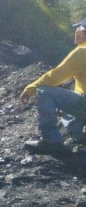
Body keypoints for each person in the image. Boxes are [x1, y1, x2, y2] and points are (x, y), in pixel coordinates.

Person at [21, 17, 86, 153]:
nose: (75, 31)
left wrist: (30, 89)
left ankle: (51, 142)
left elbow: (55, 76)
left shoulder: (82, 52)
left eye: (77, 28)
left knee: (44, 92)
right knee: (67, 112)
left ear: (83, 33)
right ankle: (81, 137)